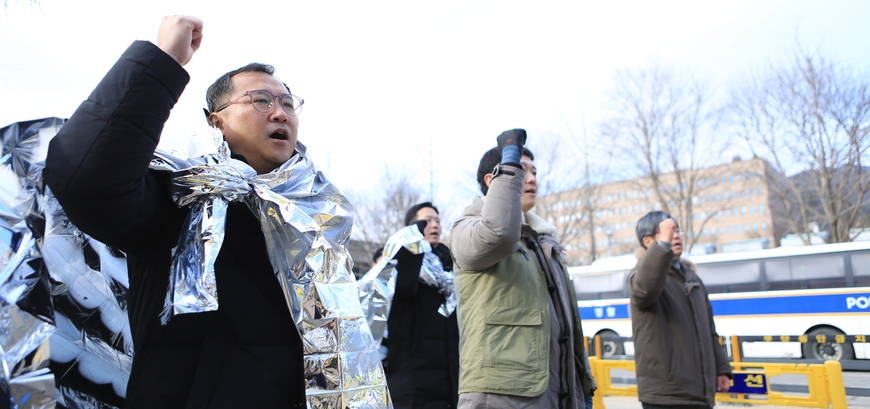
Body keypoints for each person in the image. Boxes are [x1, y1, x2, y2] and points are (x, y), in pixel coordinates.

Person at [44, 16, 314, 408]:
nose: (280, 113)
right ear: (216, 121)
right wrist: (161, 61)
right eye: (261, 100)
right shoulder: (176, 199)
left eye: (288, 103)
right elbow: (88, 180)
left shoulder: (313, 221)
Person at [450, 129, 594, 409]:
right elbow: (499, 233)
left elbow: (567, 326)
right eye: (520, 170)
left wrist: (582, 386)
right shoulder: (467, 228)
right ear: (493, 180)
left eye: (534, 172)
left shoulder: (544, 242)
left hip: (557, 395)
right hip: (501, 397)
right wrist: (510, 158)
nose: (531, 179)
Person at [628, 211, 732, 409]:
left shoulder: (692, 278)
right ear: (648, 241)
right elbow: (644, 291)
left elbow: (709, 331)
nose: (676, 236)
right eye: (667, 231)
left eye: (677, 230)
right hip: (666, 395)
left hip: (701, 394)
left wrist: (721, 369)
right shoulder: (641, 275)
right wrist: (662, 247)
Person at [386, 202, 459, 408]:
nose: (434, 225)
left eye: (438, 220)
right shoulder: (399, 262)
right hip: (412, 383)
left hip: (449, 379)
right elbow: (404, 286)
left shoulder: (451, 267)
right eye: (427, 221)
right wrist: (411, 244)